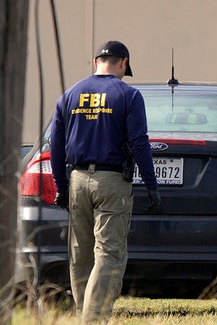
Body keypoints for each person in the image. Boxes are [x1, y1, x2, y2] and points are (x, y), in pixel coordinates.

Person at [49, 40, 161, 322]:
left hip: (76, 180)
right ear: (123, 63)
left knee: (80, 255)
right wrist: (151, 185)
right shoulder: (129, 95)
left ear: (96, 62)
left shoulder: (69, 96)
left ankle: (82, 315)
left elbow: (55, 145)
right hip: (111, 182)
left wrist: (62, 187)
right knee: (109, 254)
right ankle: (94, 319)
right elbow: (139, 142)